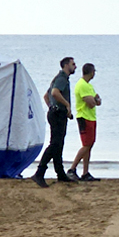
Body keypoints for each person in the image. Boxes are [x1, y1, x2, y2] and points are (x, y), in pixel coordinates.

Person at [33, 57, 77, 188]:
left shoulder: (59, 78)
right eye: (73, 64)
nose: (75, 66)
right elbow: (54, 92)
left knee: (58, 144)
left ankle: (60, 173)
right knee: (55, 144)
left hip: (55, 113)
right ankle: (40, 172)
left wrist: (52, 107)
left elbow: (47, 96)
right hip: (58, 115)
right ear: (65, 66)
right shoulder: (62, 78)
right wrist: (66, 105)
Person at [67, 62, 101, 182]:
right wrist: (94, 100)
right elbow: (92, 103)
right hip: (84, 117)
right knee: (86, 145)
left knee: (89, 145)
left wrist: (95, 99)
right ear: (91, 72)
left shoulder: (88, 85)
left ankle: (85, 172)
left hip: (91, 117)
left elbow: (98, 100)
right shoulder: (82, 85)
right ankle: (72, 168)